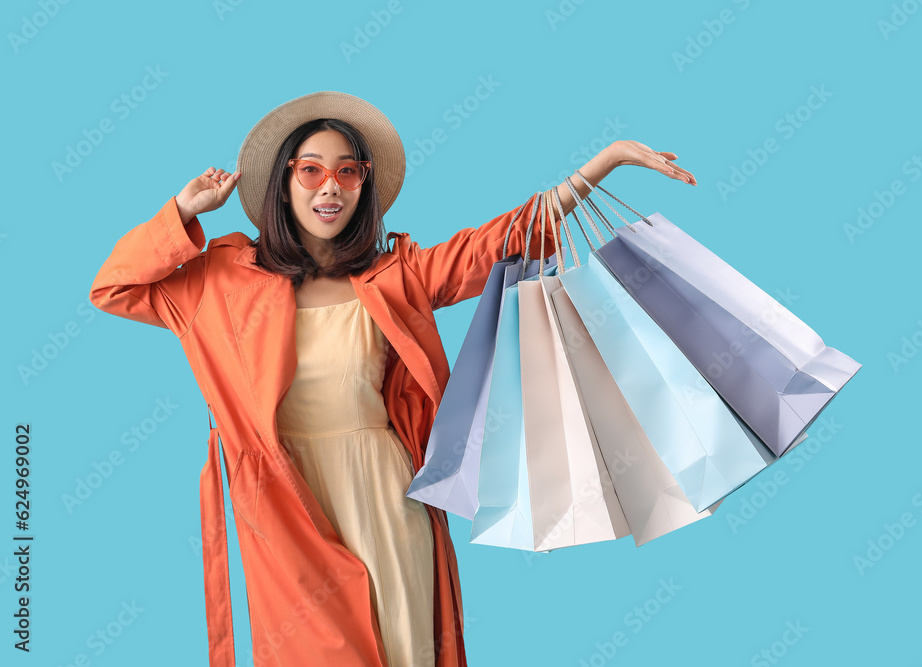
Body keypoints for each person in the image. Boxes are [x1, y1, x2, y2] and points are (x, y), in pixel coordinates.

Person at [89, 91, 696, 667]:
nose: (331, 186)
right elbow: (113, 288)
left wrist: (604, 162)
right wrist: (182, 211)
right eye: (311, 170)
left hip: (383, 492)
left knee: (403, 645)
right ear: (283, 182)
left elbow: (493, 245)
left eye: (349, 172)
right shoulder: (221, 279)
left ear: (364, 186)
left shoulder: (394, 276)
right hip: (281, 501)